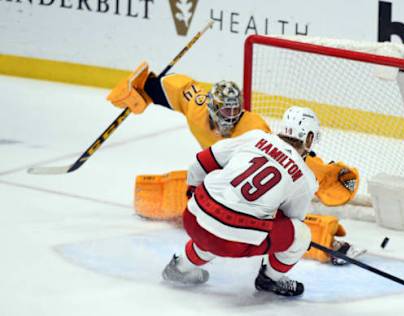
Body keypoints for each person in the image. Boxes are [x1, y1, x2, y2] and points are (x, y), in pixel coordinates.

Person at [108, 63, 364, 266]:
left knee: (256, 214)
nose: (231, 116)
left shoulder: (253, 128)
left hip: (238, 189)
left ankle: (189, 262)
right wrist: (145, 87)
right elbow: (178, 89)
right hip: (223, 183)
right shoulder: (198, 109)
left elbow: (292, 158)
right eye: (225, 111)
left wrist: (329, 175)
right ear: (211, 107)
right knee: (158, 196)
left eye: (235, 110)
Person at [161, 106, 325, 296]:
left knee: (217, 219)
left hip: (192, 219)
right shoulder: (305, 179)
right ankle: (270, 279)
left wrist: (193, 197)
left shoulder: (256, 137)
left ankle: (180, 267)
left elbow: (203, 161)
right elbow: (292, 221)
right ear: (310, 137)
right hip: (232, 243)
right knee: (301, 235)